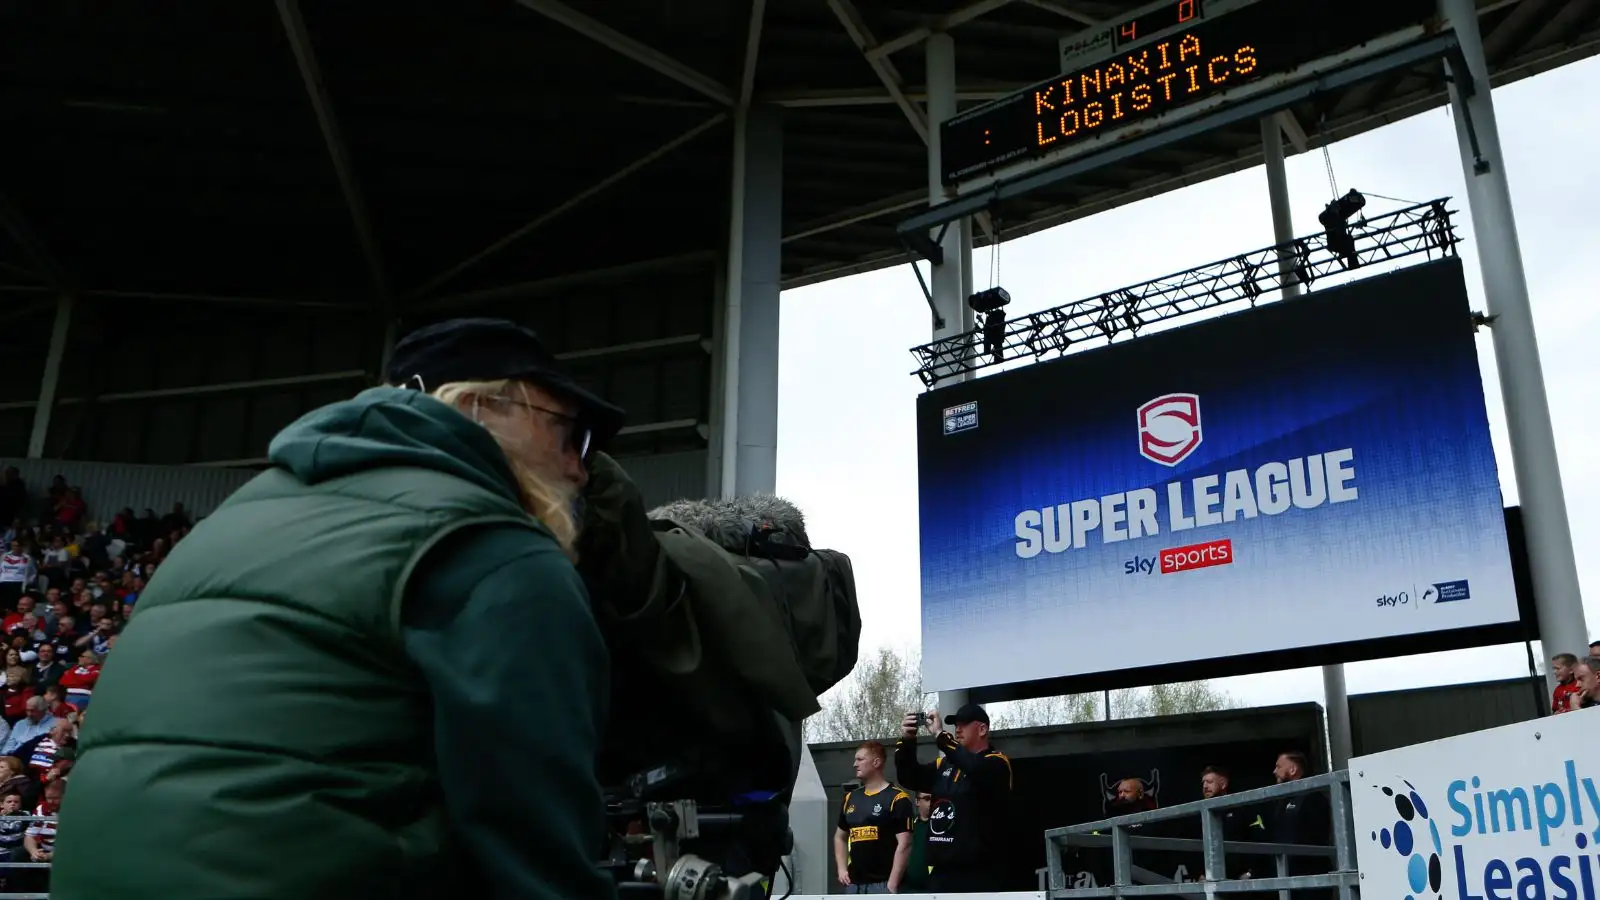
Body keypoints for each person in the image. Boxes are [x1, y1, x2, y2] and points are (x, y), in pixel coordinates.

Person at [50, 318, 627, 900]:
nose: (580, 467)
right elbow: (538, 857)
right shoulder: (496, 550)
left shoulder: (231, 520)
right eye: (569, 434)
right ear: (480, 408)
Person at [895, 703, 1014, 892]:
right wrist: (907, 741)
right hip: (941, 873)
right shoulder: (945, 764)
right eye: (956, 724)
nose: (958, 729)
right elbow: (909, 777)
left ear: (982, 729)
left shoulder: (997, 762)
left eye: (964, 724)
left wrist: (941, 736)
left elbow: (975, 768)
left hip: (979, 874)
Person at [834, 740, 914, 894]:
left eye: (860, 759)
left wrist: (892, 884)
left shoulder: (897, 798)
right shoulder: (850, 798)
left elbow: (905, 844)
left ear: (876, 762)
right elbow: (840, 836)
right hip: (853, 885)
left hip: (882, 885)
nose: (854, 764)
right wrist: (842, 869)